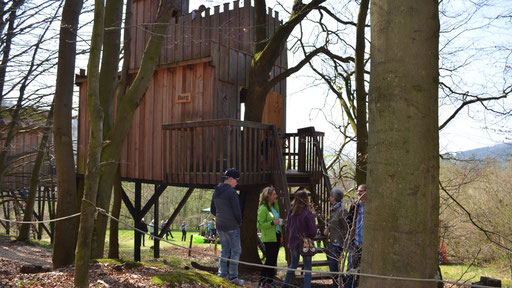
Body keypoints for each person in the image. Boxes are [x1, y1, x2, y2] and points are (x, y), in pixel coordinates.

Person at [210, 168, 245, 286]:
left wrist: (220, 217)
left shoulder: (216, 191)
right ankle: (233, 277)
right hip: (232, 225)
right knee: (236, 250)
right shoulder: (231, 192)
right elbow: (237, 211)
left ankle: (222, 275)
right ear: (230, 179)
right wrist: (239, 222)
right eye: (237, 180)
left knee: (225, 250)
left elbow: (212, 209)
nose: (237, 182)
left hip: (219, 224)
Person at [282, 190, 317, 288]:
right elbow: (313, 232)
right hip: (305, 244)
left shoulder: (291, 213)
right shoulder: (307, 214)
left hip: (293, 243)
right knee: (307, 268)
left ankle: (285, 286)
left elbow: (287, 228)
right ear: (306, 199)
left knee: (292, 265)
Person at [257, 187, 282, 288]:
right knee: (269, 260)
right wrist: (272, 223)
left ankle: (270, 282)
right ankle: (262, 281)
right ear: (268, 196)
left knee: (273, 260)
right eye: (274, 194)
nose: (276, 196)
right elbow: (259, 225)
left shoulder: (274, 206)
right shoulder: (263, 209)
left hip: (277, 235)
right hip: (269, 238)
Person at [323, 188, 349, 286]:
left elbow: (347, 227)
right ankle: (337, 284)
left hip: (339, 243)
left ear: (334, 198)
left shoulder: (342, 210)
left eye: (330, 196)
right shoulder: (334, 209)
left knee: (334, 266)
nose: (329, 198)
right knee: (333, 266)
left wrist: (345, 242)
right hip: (333, 241)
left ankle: (342, 284)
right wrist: (328, 228)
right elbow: (334, 222)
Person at [344, 184, 367, 288]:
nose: (358, 193)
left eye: (361, 191)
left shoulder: (372, 207)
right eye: (358, 191)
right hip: (355, 242)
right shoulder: (355, 206)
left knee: (364, 269)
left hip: (366, 245)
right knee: (350, 268)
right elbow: (349, 222)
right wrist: (350, 237)